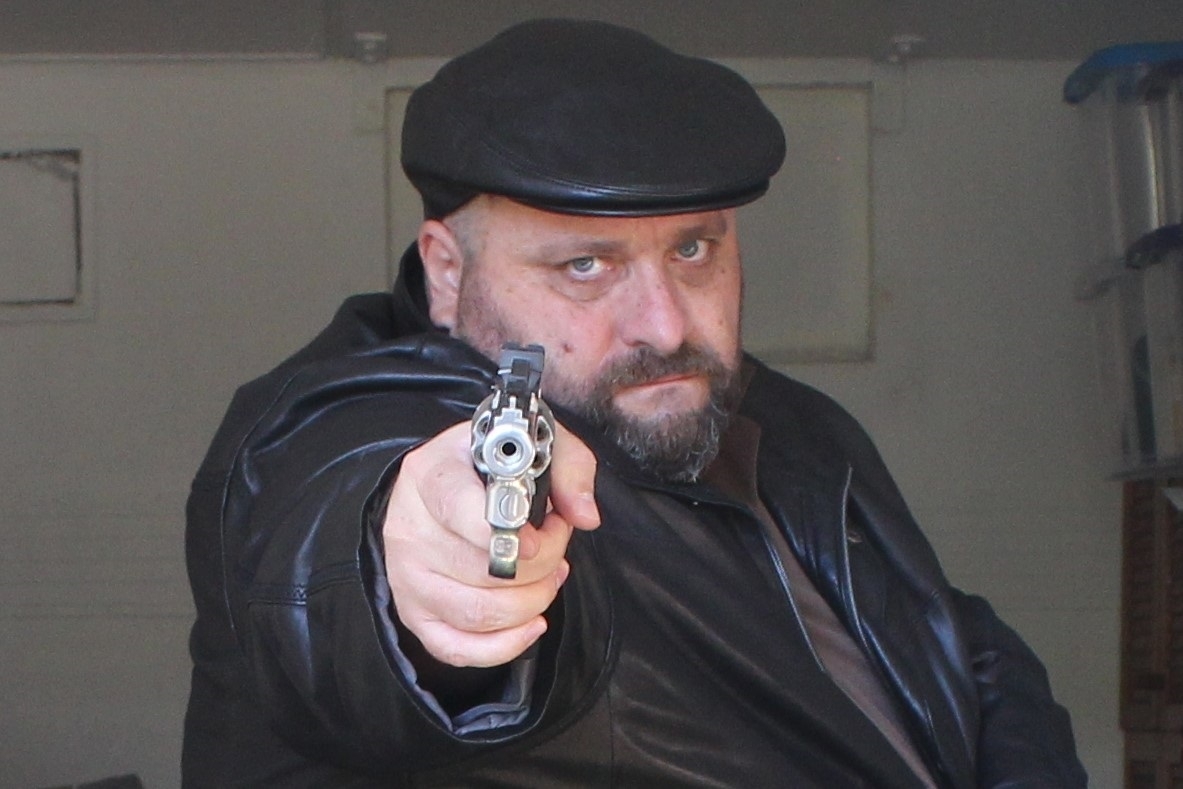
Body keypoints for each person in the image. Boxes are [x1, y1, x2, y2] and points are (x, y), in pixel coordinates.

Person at [182, 18, 1087, 788]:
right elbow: (342, 543)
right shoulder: (338, 420)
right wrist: (418, 577)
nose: (664, 324)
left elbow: (959, 648)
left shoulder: (783, 417)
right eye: (585, 264)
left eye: (692, 250)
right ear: (446, 271)